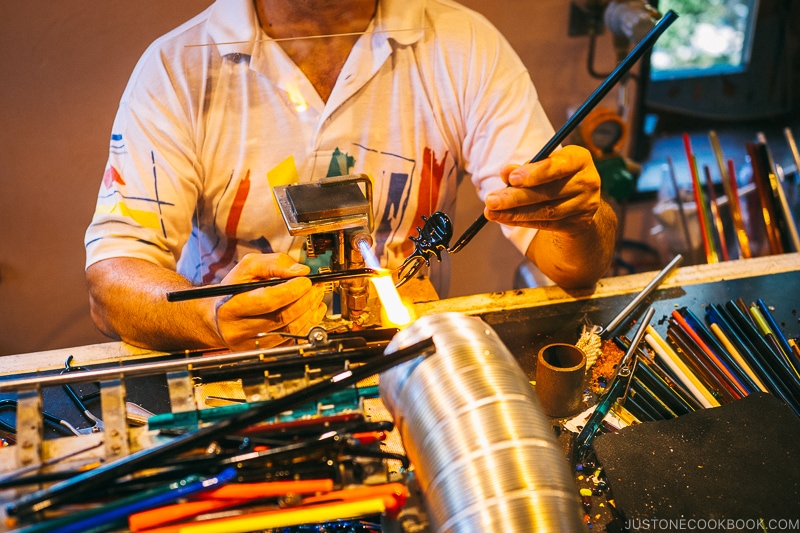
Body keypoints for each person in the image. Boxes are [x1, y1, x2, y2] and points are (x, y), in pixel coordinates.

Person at [84, 0, 617, 352]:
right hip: (234, 367)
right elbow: (112, 282)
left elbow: (573, 269)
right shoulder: (178, 67)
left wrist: (576, 219)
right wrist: (210, 315)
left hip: (406, 360)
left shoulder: (463, 44)